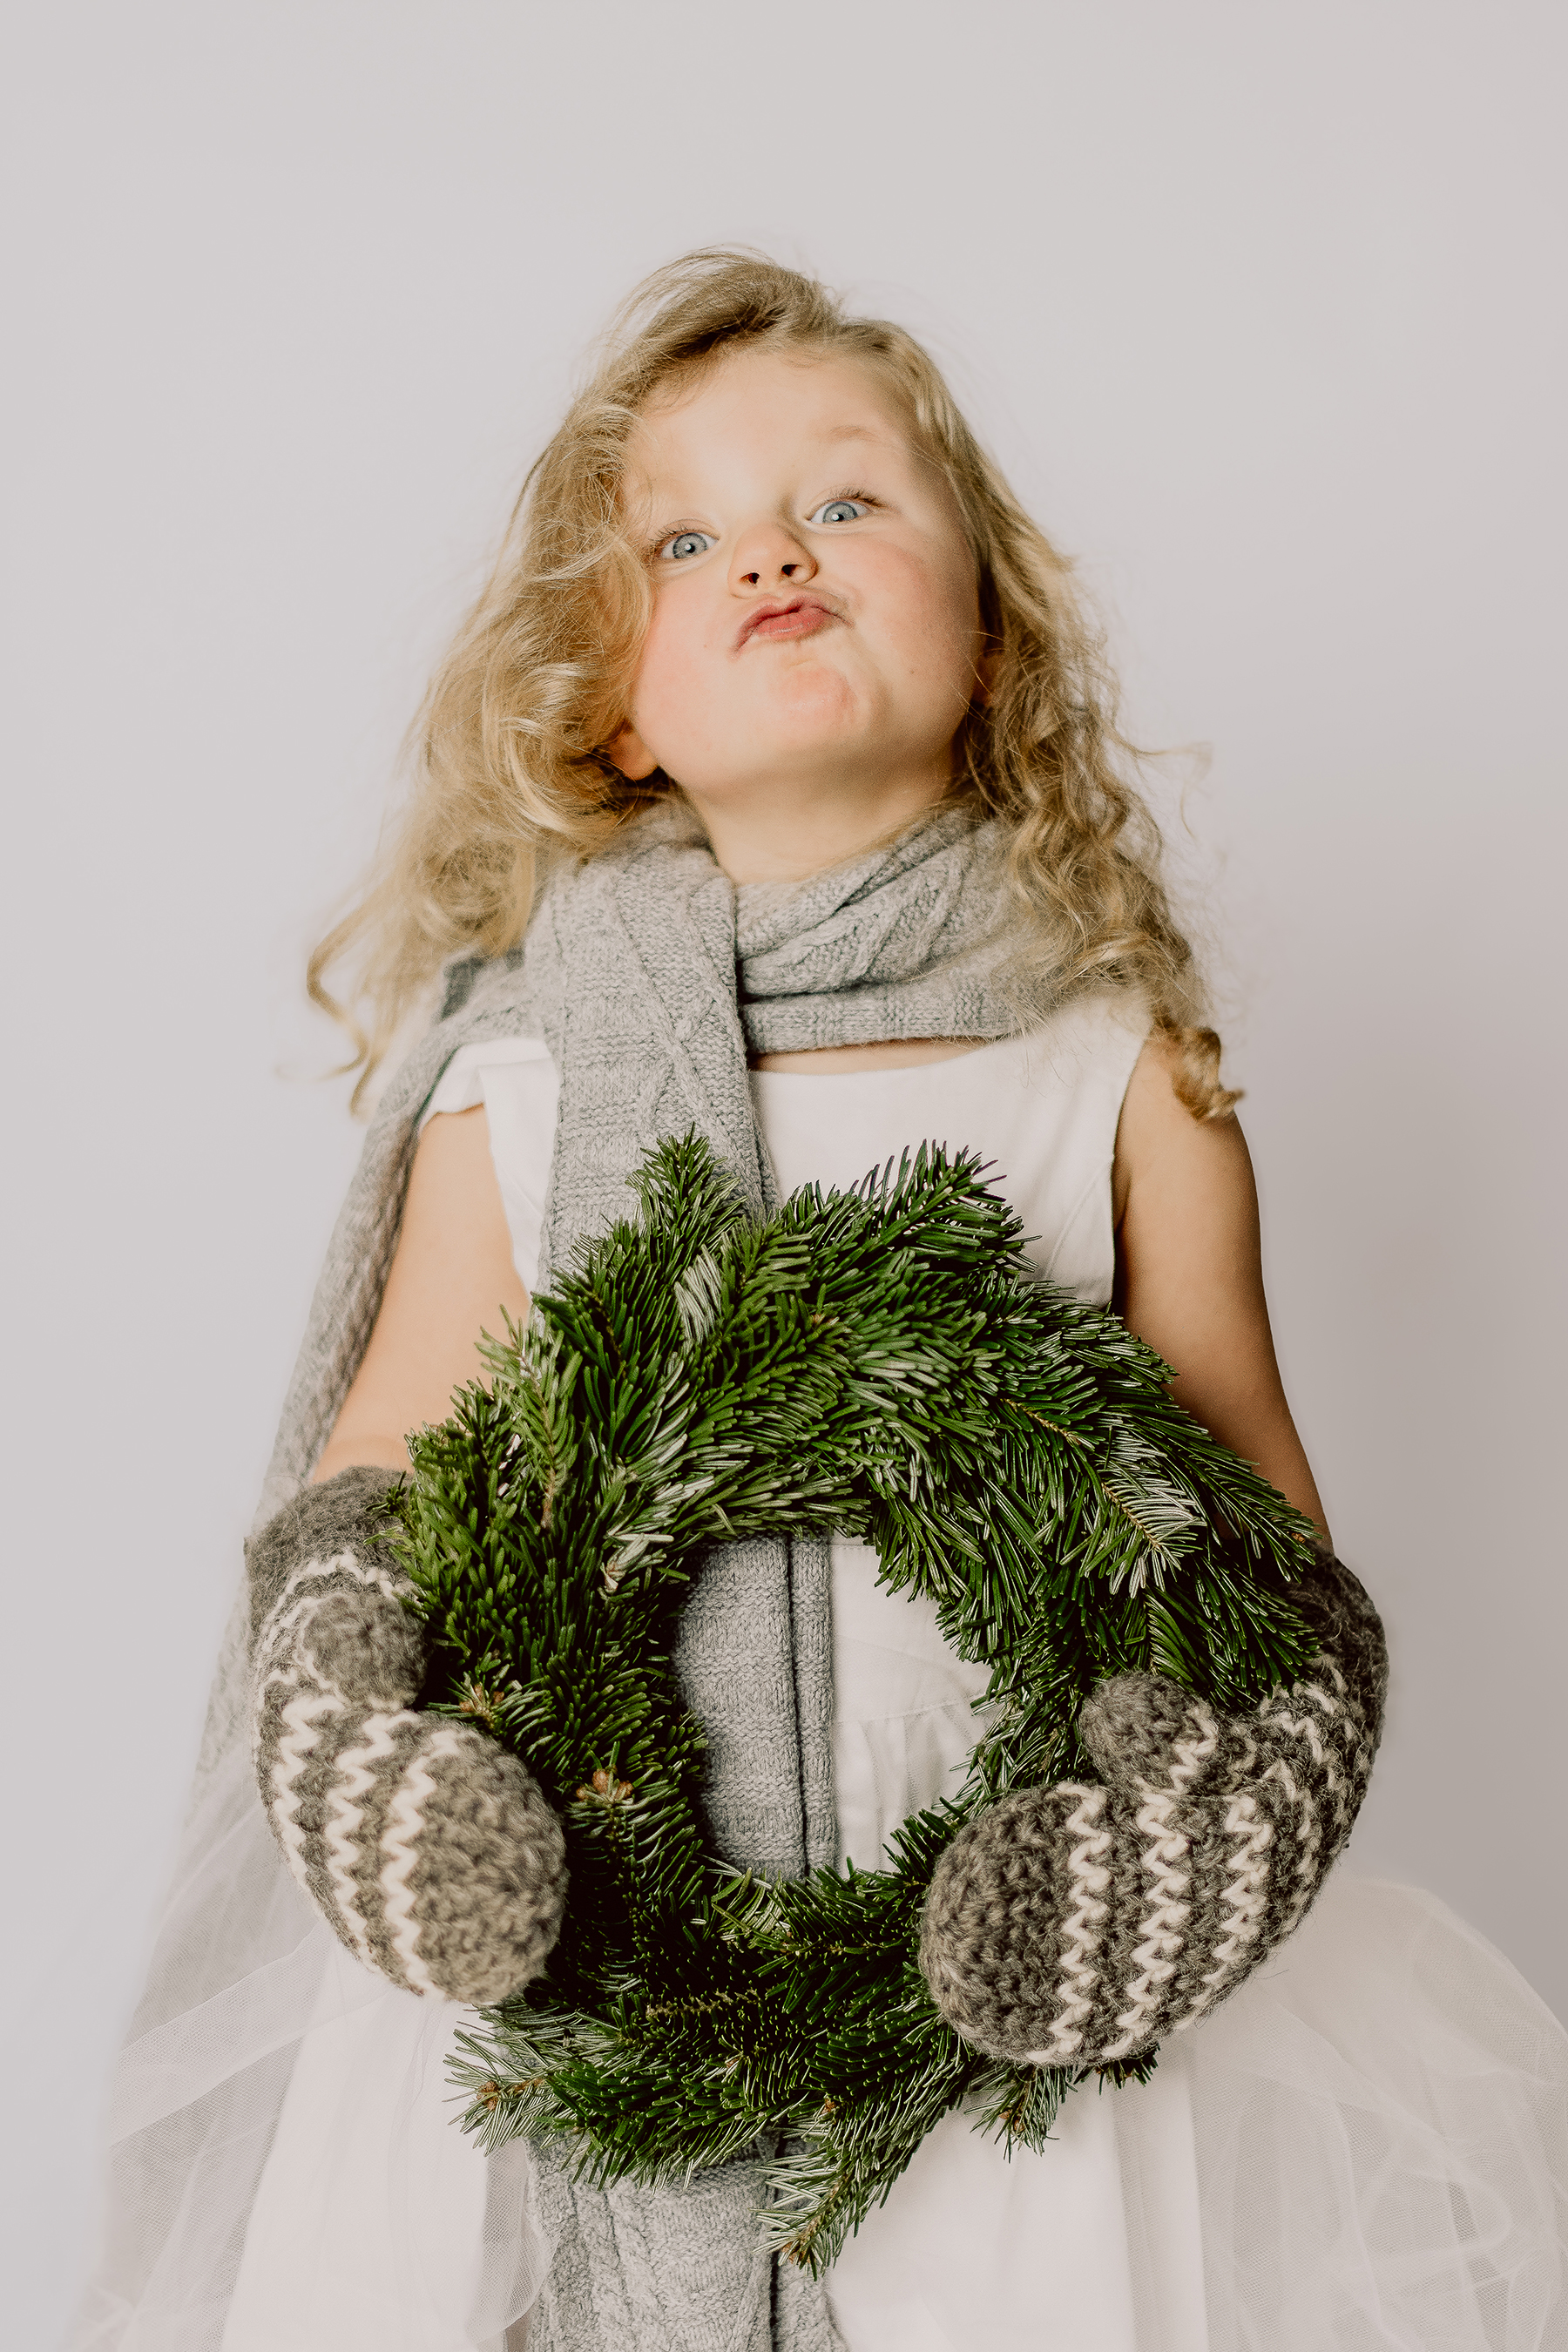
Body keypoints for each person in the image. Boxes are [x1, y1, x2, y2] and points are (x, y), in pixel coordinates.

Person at [76, 251, 1566, 2352]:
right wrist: (358, 1746)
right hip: (591, 1919)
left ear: (993, 628)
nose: (774, 547)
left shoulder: (1116, 1060)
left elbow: (1255, 1538)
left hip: (1004, 1934)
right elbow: (382, 1475)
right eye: (686, 539)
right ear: (610, 704)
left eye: (847, 501)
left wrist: (1199, 1832)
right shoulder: (530, 1076)